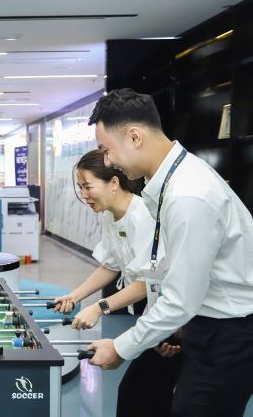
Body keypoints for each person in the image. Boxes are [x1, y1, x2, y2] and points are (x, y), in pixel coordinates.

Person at [87, 88, 253, 416]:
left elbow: (181, 299)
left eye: (107, 151)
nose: (108, 162)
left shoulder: (188, 195)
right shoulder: (171, 183)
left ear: (134, 137)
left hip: (230, 330)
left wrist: (121, 346)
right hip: (204, 322)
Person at [53, 148, 181, 416]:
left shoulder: (143, 216)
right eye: (80, 187)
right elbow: (111, 264)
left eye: (88, 186)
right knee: (146, 395)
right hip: (156, 313)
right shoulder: (110, 215)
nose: (84, 194)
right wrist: (75, 296)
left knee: (141, 394)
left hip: (175, 313)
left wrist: (99, 307)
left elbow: (148, 281)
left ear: (113, 182)